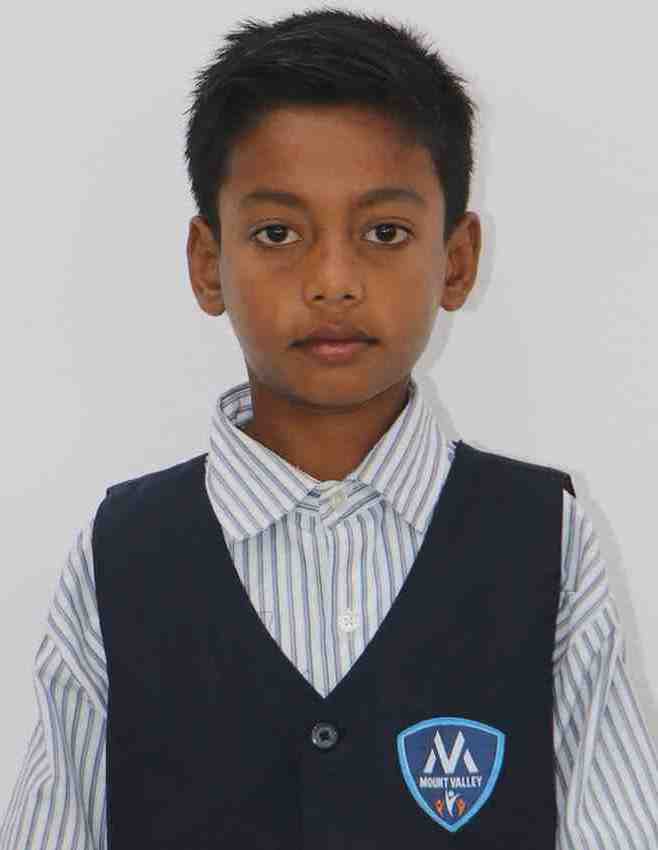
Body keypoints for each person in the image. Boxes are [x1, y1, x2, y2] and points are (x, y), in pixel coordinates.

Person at [1, 7, 657, 849]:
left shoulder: (544, 541)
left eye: (385, 233)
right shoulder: (121, 553)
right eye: (278, 233)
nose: (333, 280)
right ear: (209, 264)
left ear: (456, 261)